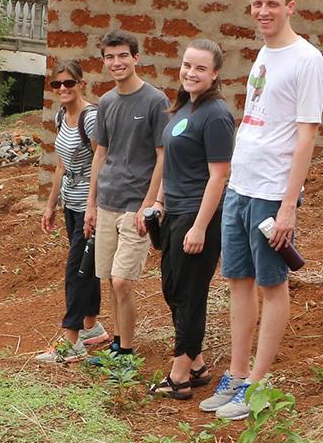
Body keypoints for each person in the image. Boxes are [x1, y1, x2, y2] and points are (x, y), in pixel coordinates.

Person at [200, 0, 323, 421]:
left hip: (273, 192)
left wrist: (290, 204)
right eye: (257, 4)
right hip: (241, 184)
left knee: (272, 285)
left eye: (272, 3)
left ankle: (256, 382)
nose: (263, 11)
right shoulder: (264, 54)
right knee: (238, 281)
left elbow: (307, 135)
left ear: (290, 6)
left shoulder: (307, 59)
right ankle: (235, 374)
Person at [148, 40, 235, 399]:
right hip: (175, 213)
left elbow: (219, 175)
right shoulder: (184, 108)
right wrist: (158, 202)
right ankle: (196, 364)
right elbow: (171, 164)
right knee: (173, 290)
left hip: (198, 216)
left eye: (200, 68)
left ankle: (180, 376)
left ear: (214, 74)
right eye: (187, 65)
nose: (191, 73)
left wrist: (200, 225)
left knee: (189, 296)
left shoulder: (216, 114)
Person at [84, 30, 170, 360]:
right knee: (107, 277)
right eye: (110, 57)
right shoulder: (105, 102)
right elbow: (101, 154)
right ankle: (118, 342)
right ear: (104, 61)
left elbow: (163, 156)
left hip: (136, 205)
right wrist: (90, 205)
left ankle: (127, 351)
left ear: (136, 58)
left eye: (123, 56)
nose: (116, 62)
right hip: (107, 202)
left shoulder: (155, 101)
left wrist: (149, 205)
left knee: (122, 281)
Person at [37, 60, 111, 363]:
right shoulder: (61, 115)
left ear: (81, 83)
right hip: (71, 200)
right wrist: (51, 204)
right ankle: (91, 327)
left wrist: (93, 206)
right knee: (87, 266)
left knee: (76, 271)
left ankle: (71, 340)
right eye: (58, 85)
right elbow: (62, 163)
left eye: (69, 83)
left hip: (89, 205)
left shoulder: (90, 118)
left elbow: (102, 161)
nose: (63, 89)